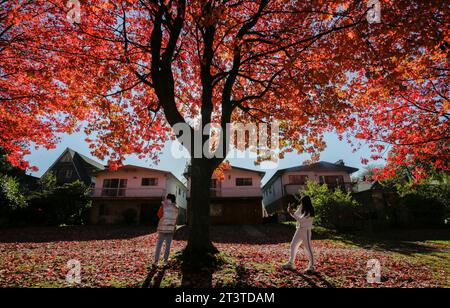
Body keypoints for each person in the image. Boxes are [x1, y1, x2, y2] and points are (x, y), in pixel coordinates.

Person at [282, 196, 315, 273]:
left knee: (308, 248)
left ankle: (312, 266)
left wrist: (292, 212)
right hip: (299, 230)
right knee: (293, 245)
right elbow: (295, 216)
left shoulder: (310, 211)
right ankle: (291, 263)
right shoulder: (301, 207)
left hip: (306, 231)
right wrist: (290, 211)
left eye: (302, 202)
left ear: (306, 202)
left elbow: (301, 220)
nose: (301, 204)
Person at [154, 193, 179, 264]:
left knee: (159, 245)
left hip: (162, 228)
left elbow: (159, 215)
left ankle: (156, 261)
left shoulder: (163, 206)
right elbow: (176, 219)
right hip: (171, 229)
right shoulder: (176, 207)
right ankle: (165, 261)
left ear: (168, 198)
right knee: (168, 246)